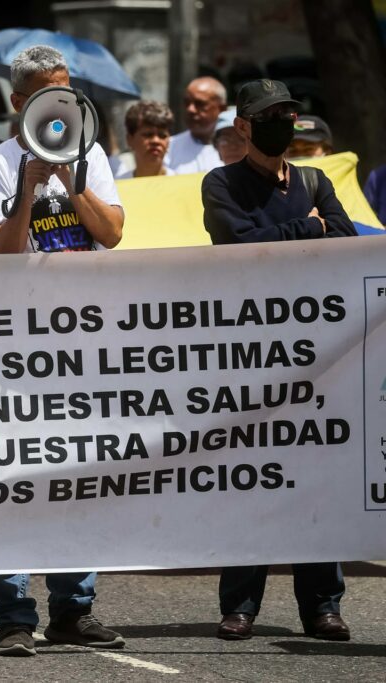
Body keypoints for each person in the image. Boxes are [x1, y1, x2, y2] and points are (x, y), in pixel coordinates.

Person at [0, 44, 124, 656]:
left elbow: (111, 232)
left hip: (79, 344)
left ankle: (72, 607)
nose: (58, 102)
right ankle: (12, 612)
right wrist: (31, 186)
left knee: (77, 473)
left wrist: (67, 176)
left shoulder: (91, 157)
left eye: (64, 90)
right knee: (11, 474)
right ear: (17, 102)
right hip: (15, 348)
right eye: (43, 93)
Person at [201, 81, 355, 642]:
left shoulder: (316, 180)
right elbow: (240, 243)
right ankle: (240, 604)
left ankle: (322, 606)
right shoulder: (222, 182)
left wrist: (300, 231)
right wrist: (305, 228)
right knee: (252, 477)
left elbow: (343, 237)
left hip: (318, 354)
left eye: (288, 114)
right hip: (250, 355)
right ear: (242, 125)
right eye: (269, 116)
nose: (282, 124)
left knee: (315, 475)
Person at [166, 76, 227, 175]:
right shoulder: (168, 148)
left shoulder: (237, 149)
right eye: (186, 103)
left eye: (199, 104)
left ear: (222, 108)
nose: (190, 109)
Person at [117, 100, 173, 179]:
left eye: (162, 136)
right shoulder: (116, 187)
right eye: (148, 135)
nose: (156, 141)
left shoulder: (183, 185)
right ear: (129, 139)